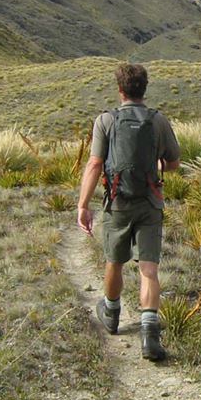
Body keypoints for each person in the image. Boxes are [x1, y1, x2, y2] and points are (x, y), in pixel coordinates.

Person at [77, 63, 181, 361]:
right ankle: (150, 336)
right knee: (148, 268)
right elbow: (174, 163)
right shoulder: (159, 121)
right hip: (150, 202)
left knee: (115, 261)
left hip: (117, 202)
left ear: (120, 89)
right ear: (144, 89)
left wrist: (83, 205)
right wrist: (157, 165)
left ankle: (111, 313)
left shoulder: (106, 120)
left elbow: (95, 164)